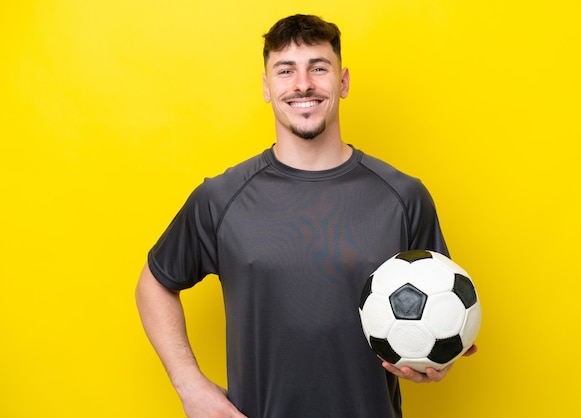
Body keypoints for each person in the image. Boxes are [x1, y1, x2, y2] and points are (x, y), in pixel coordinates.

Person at [136, 14, 476, 418]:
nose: (303, 84)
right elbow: (153, 285)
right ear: (266, 87)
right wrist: (189, 386)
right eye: (285, 70)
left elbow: (438, 307)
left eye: (318, 67)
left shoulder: (403, 196)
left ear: (343, 81)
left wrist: (434, 357)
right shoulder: (221, 198)